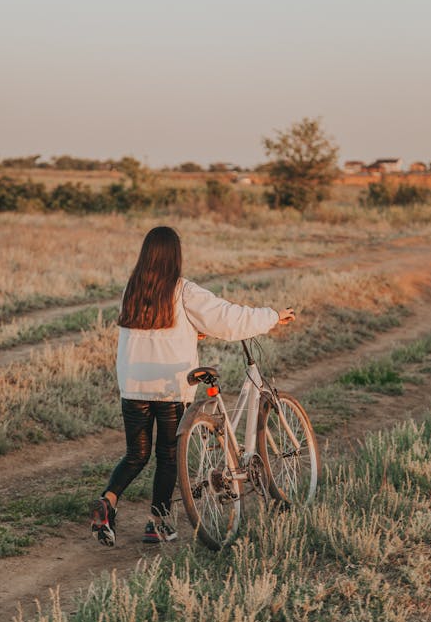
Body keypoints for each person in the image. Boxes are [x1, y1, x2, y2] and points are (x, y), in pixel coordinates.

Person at [90, 226, 295, 546]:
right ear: (175, 256)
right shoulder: (182, 290)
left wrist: (189, 332)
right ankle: (157, 522)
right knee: (168, 455)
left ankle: (108, 501)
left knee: (136, 454)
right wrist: (272, 316)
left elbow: (153, 328)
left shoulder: (131, 290)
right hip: (170, 386)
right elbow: (228, 318)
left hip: (133, 385)